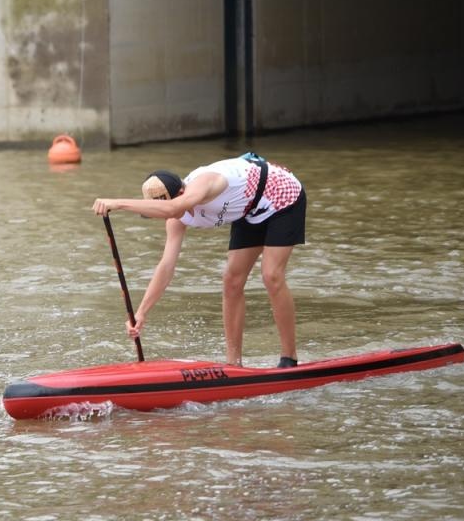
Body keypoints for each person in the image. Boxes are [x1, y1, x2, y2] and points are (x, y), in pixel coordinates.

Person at [90, 153, 306, 368]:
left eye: (164, 209)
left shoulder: (204, 183)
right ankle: (234, 365)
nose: (166, 217)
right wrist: (141, 313)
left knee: (271, 275)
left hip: (280, 195)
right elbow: (166, 266)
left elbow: (173, 208)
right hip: (247, 210)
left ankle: (289, 359)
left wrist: (117, 203)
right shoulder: (175, 216)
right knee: (231, 281)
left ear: (182, 192)